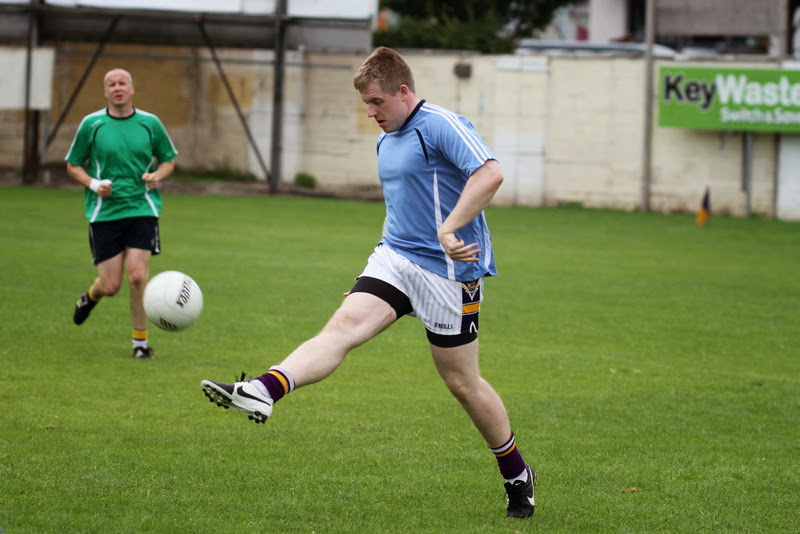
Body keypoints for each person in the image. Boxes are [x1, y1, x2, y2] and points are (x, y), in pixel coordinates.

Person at [201, 47, 535, 519]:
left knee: (462, 382)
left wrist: (449, 229)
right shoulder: (386, 141)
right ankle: (265, 389)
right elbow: (397, 209)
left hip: (449, 273)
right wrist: (370, 274)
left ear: (403, 91)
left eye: (377, 102)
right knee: (342, 328)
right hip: (397, 258)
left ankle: (516, 473)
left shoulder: (440, 124)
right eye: (366, 105)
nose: (372, 113)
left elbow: (491, 173)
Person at [66, 68, 178, 359]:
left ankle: (140, 344)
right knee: (112, 285)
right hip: (104, 212)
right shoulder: (92, 124)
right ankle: (91, 295)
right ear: (105, 92)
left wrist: (158, 175)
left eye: (122, 83)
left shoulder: (150, 123)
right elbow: (73, 164)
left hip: (142, 207)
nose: (117, 88)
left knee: (138, 276)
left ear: (132, 88)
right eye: (111, 84)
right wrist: (93, 184)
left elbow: (168, 160)